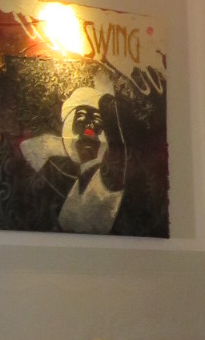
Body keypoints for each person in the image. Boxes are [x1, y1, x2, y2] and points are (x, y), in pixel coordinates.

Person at [18, 82, 127, 234]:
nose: (89, 129)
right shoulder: (67, 177)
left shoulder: (109, 174)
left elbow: (116, 151)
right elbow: (29, 148)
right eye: (81, 119)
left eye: (97, 121)